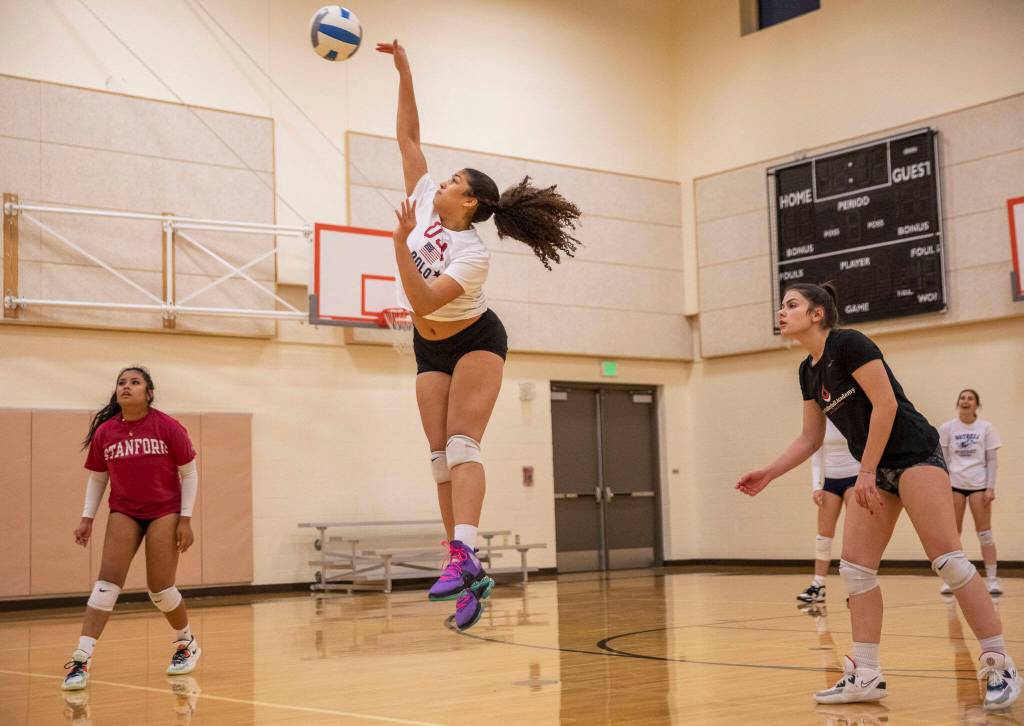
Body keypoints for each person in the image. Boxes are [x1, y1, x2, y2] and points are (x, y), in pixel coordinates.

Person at [735, 283, 1020, 711]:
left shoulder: (848, 343)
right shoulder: (807, 371)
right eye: (781, 305)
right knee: (855, 570)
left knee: (948, 560)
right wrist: (770, 473)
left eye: (791, 304)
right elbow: (810, 437)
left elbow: (885, 405)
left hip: (914, 454)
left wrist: (864, 471)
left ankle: (999, 662)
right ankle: (866, 674)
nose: (782, 311)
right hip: (876, 469)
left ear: (817, 314)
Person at [377, 39, 581, 630]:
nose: (438, 181)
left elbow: (422, 297)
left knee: (463, 444)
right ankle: (465, 570)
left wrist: (399, 248)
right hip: (428, 343)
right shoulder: (423, 198)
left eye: (452, 181)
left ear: (468, 202)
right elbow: (409, 138)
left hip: (474, 340)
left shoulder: (470, 254)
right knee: (439, 458)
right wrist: (405, 70)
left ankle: (465, 552)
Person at [62, 367, 200, 690]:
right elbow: (98, 478)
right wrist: (87, 518)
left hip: (164, 510)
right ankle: (81, 660)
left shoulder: (167, 427)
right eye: (121, 383)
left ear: (148, 393)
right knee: (106, 584)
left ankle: (187, 643)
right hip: (124, 510)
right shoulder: (107, 433)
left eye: (135, 382)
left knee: (160, 589)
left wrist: (186, 519)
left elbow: (189, 474)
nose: (127, 387)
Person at [939, 389, 1003, 595]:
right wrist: (943, 486)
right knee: (953, 534)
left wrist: (991, 487)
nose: (966, 401)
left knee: (985, 533)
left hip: (979, 485)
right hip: (955, 484)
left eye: (970, 398)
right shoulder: (947, 428)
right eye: (962, 398)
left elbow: (992, 460)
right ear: (958, 403)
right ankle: (952, 580)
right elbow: (944, 459)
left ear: (977, 404)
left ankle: (992, 579)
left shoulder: (986, 428)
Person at [797, 418, 859, 604]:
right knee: (823, 536)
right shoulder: (821, 420)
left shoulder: (853, 417)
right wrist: (817, 486)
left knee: (854, 536)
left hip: (854, 477)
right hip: (831, 481)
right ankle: (818, 585)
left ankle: (855, 589)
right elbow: (816, 454)